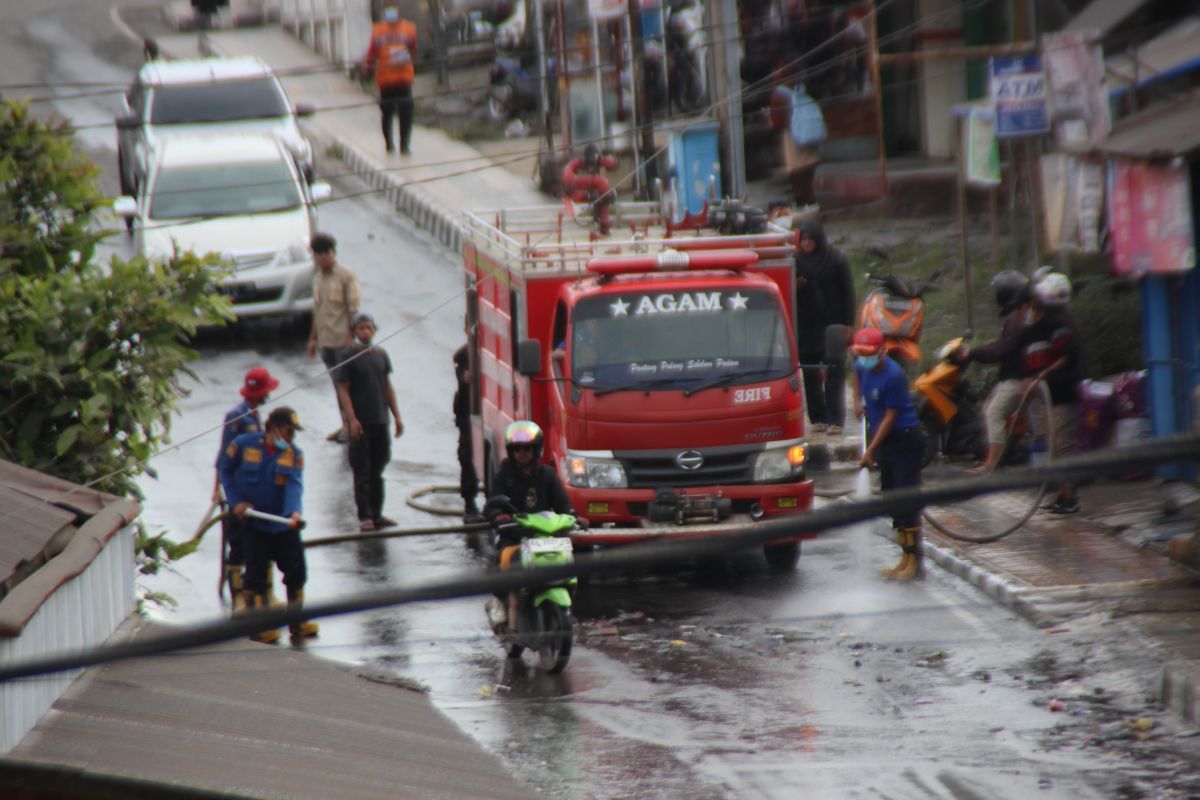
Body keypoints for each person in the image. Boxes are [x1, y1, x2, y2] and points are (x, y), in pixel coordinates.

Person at [218, 406, 318, 643]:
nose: (291, 437)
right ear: (272, 428)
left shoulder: (294, 454)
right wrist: (236, 502)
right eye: (288, 431)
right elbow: (225, 469)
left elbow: (294, 485)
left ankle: (297, 619)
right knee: (255, 575)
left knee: (296, 571)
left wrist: (294, 513)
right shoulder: (243, 445)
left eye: (293, 432)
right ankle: (258, 625)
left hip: (283, 524)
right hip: (255, 523)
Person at [852, 327, 926, 581]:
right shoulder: (862, 365)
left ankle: (914, 562)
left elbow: (889, 419)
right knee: (892, 500)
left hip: (904, 439)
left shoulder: (894, 375)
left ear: (882, 351)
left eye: (869, 354)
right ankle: (903, 558)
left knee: (907, 502)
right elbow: (855, 373)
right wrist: (856, 402)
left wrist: (870, 450)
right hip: (885, 441)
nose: (864, 359)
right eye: (860, 355)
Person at [483, 420, 574, 628]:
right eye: (517, 449)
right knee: (505, 557)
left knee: (567, 554)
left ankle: (563, 605)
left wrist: (573, 517)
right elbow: (492, 504)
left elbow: (563, 505)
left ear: (536, 449)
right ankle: (500, 601)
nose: (522, 453)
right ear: (510, 451)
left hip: (543, 536)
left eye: (527, 448)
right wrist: (499, 516)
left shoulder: (547, 475)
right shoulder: (504, 475)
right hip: (514, 534)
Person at [212, 367, 279, 610]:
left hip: (256, 489)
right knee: (238, 543)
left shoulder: (256, 415)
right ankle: (238, 596)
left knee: (262, 541)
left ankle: (264, 593)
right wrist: (217, 489)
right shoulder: (237, 417)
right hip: (238, 491)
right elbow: (224, 457)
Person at [1019, 271, 1084, 514]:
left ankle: (1070, 497)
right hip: (1046, 397)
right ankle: (1061, 495)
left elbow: (1068, 354)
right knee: (1052, 446)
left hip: (1062, 393)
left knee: (1063, 447)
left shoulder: (1058, 325)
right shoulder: (1036, 329)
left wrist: (1043, 374)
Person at [957, 270, 1033, 475]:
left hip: (1017, 378)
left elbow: (1004, 348)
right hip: (1017, 375)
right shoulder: (1017, 316)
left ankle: (991, 464)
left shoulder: (1015, 318)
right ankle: (1007, 451)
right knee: (989, 407)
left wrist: (973, 353)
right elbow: (1003, 344)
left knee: (994, 413)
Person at [335, 312, 404, 531]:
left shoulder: (381, 354)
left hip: (380, 421)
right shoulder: (347, 356)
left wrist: (397, 416)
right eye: (361, 328)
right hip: (360, 423)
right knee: (362, 471)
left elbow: (387, 386)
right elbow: (343, 390)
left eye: (368, 328)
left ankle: (377, 514)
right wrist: (351, 420)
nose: (365, 332)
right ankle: (365, 516)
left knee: (378, 469)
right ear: (354, 331)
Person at [793, 220, 855, 435]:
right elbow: (785, 293)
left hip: (833, 324)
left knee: (835, 372)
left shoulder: (835, 259)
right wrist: (796, 287)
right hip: (806, 327)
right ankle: (817, 417)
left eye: (811, 239)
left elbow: (848, 293)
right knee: (810, 374)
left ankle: (835, 419)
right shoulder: (794, 262)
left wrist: (848, 324)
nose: (808, 243)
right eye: (804, 239)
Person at [306, 232, 361, 444]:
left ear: (333, 253)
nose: (322, 258)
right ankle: (344, 423)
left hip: (343, 342)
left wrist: (351, 338)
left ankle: (351, 424)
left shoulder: (346, 276)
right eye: (318, 254)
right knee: (337, 385)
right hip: (326, 342)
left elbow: (353, 310)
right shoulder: (318, 279)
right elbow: (317, 311)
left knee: (346, 385)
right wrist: (313, 339)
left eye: (326, 253)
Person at [363, 2, 417, 155]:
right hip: (386, 81)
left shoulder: (409, 29)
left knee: (406, 114)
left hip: (404, 79)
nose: (391, 12)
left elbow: (414, 50)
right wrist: (367, 71)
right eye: (388, 9)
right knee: (387, 114)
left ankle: (405, 145)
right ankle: (389, 145)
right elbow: (372, 54)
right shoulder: (378, 30)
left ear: (398, 10)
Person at [453, 343, 480, 520]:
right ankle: (469, 504)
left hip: (482, 411)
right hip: (466, 412)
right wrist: (466, 377)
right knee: (467, 455)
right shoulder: (463, 354)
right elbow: (463, 378)